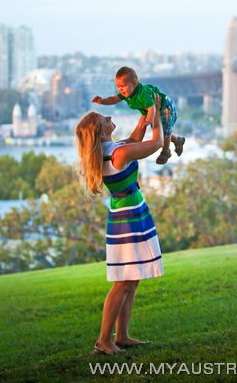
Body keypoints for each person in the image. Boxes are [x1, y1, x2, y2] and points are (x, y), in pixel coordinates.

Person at [75, 95, 165, 355]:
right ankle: (104, 339)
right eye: (105, 118)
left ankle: (122, 335)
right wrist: (156, 113)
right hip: (129, 218)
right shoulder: (118, 153)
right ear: (99, 130)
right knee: (123, 282)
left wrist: (146, 112)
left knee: (132, 278)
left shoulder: (108, 151)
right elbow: (156, 143)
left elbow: (136, 137)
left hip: (126, 212)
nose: (110, 117)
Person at [92, 66, 185, 165]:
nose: (120, 89)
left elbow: (150, 108)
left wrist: (148, 120)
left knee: (164, 131)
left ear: (134, 83)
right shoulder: (118, 152)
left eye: (122, 86)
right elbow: (114, 99)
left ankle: (165, 152)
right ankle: (175, 142)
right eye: (118, 86)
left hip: (165, 106)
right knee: (161, 130)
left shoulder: (142, 94)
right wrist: (103, 101)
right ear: (101, 134)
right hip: (157, 108)